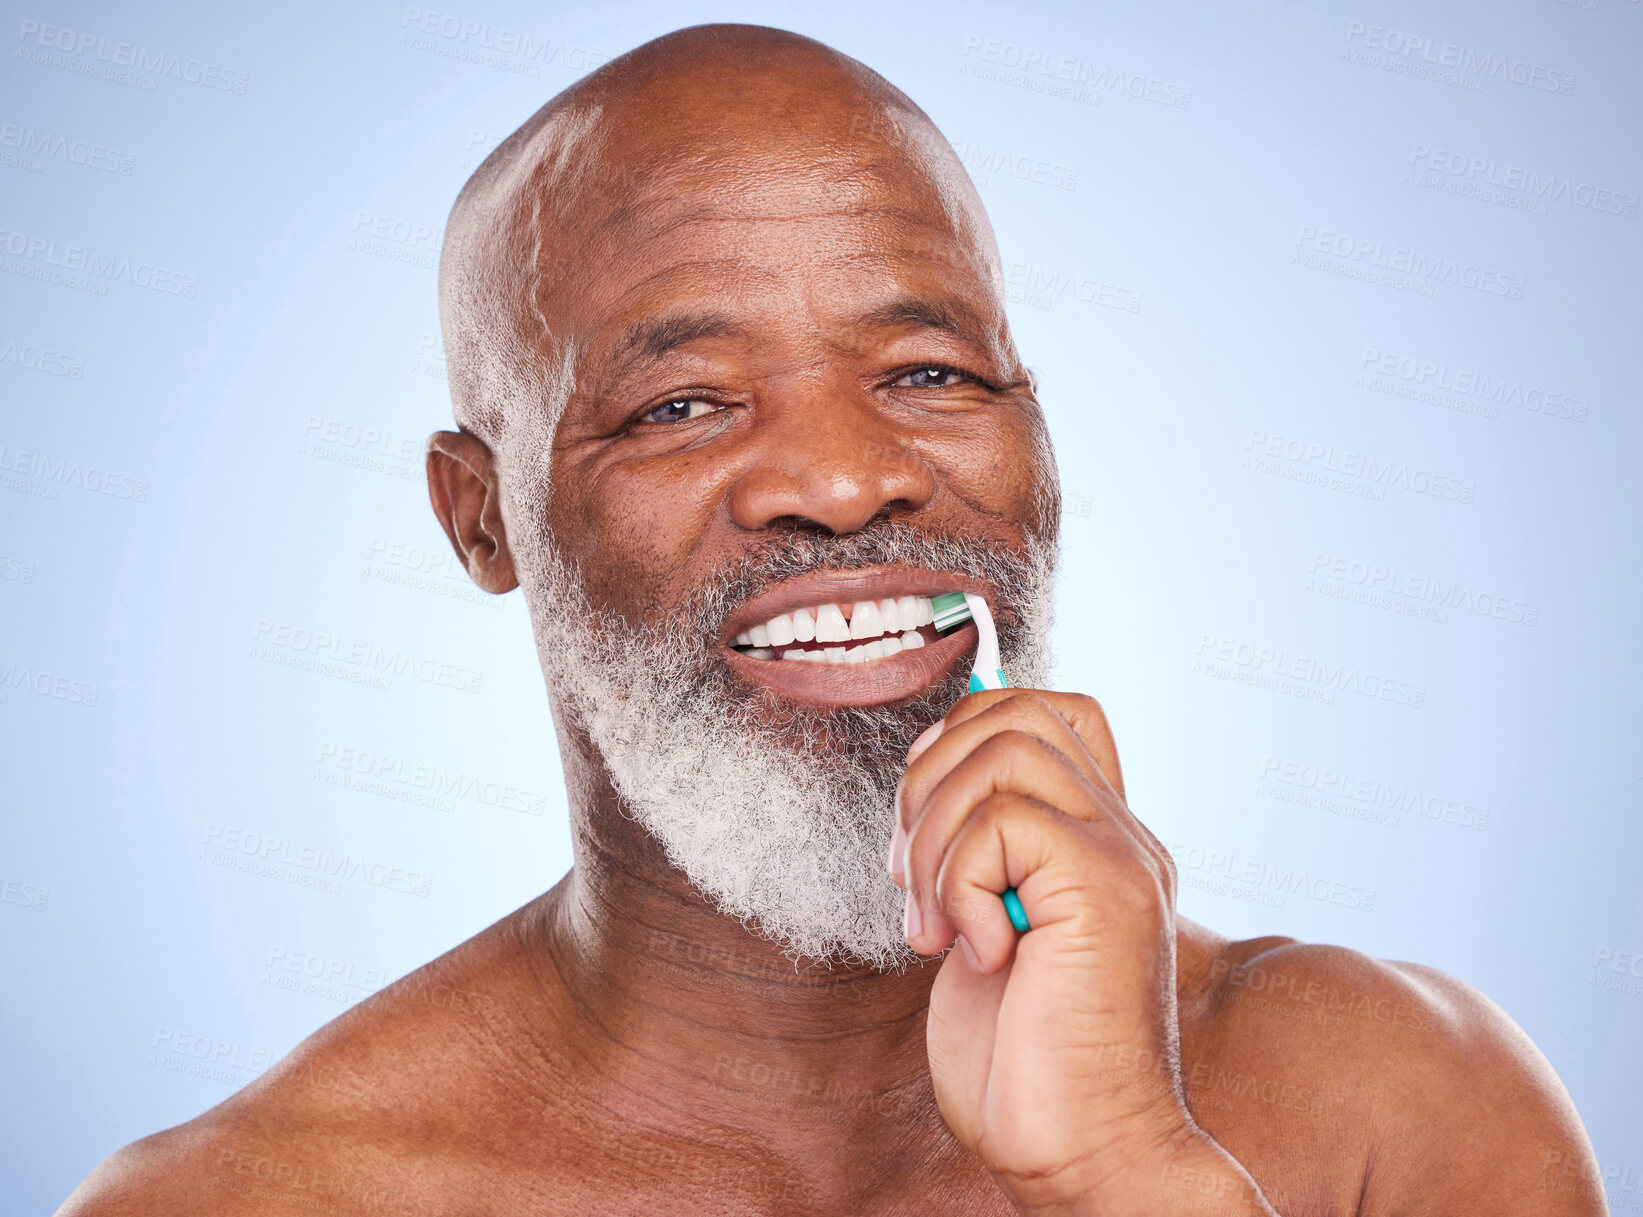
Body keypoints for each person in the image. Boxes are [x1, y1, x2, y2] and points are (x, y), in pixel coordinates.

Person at [59, 23, 1606, 1216]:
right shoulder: (248, 1197)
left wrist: (1137, 1172)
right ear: (481, 518)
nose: (851, 479)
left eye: (931, 373)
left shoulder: (1400, 1112)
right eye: (680, 404)